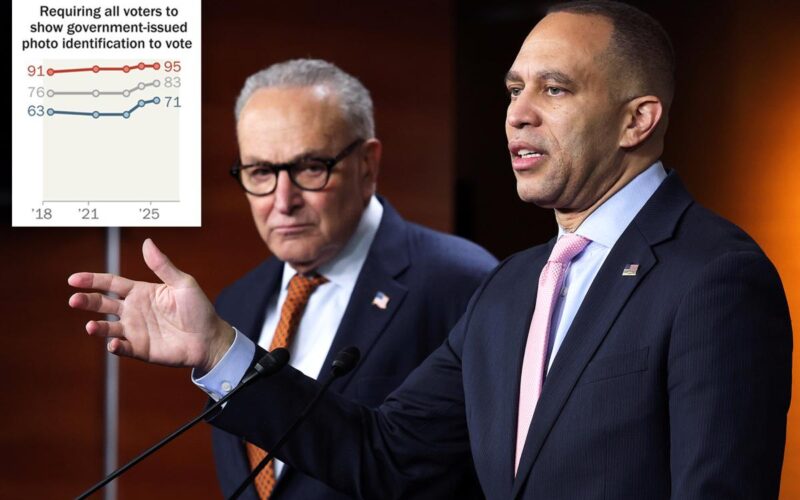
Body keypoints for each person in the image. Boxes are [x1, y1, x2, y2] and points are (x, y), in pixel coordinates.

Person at [69, 2, 793, 499]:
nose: (518, 112)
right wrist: (219, 351)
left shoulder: (715, 277)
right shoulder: (511, 287)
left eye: (555, 89)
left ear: (638, 120)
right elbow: (385, 455)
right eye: (514, 88)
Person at [74, 58, 497, 499]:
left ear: (367, 165)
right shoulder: (234, 305)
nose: (282, 201)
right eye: (261, 172)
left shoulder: (462, 284)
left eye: (310, 167)